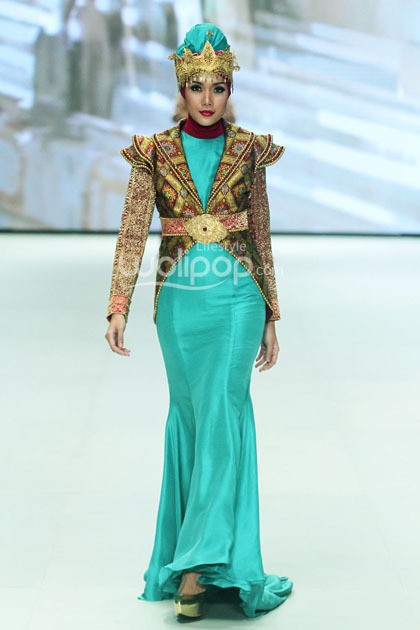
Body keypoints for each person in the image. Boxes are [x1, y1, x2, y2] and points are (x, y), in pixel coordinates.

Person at [104, 22, 293, 622]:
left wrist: (271, 312)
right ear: (180, 88)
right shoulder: (153, 151)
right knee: (190, 418)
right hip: (180, 302)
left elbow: (260, 233)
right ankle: (210, 556)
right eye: (196, 85)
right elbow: (132, 232)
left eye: (218, 86)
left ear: (230, 88)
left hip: (238, 297)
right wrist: (118, 304)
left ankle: (196, 568)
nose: (207, 97)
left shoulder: (251, 150)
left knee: (222, 416)